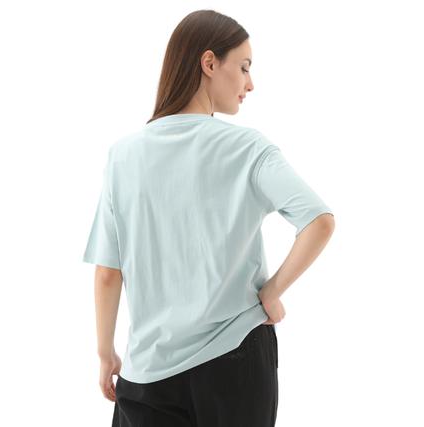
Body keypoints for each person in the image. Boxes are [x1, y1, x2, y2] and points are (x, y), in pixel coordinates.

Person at [82, 9, 335, 427]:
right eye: (244, 67)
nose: (250, 84)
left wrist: (105, 352)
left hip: (147, 372)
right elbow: (318, 220)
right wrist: (271, 292)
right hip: (236, 357)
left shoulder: (122, 157)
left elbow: (109, 272)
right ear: (209, 63)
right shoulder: (249, 148)